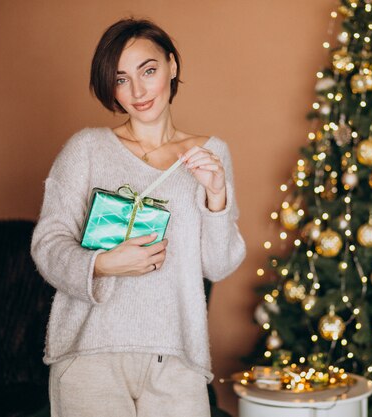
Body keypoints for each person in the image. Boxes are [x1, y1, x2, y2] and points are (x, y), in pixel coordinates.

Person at [30, 18, 246, 417]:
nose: (139, 91)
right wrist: (103, 264)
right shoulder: (87, 149)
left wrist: (216, 195)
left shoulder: (210, 154)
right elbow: (47, 244)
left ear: (172, 66)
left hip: (176, 357)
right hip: (90, 354)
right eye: (121, 79)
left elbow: (218, 265)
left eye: (148, 71)